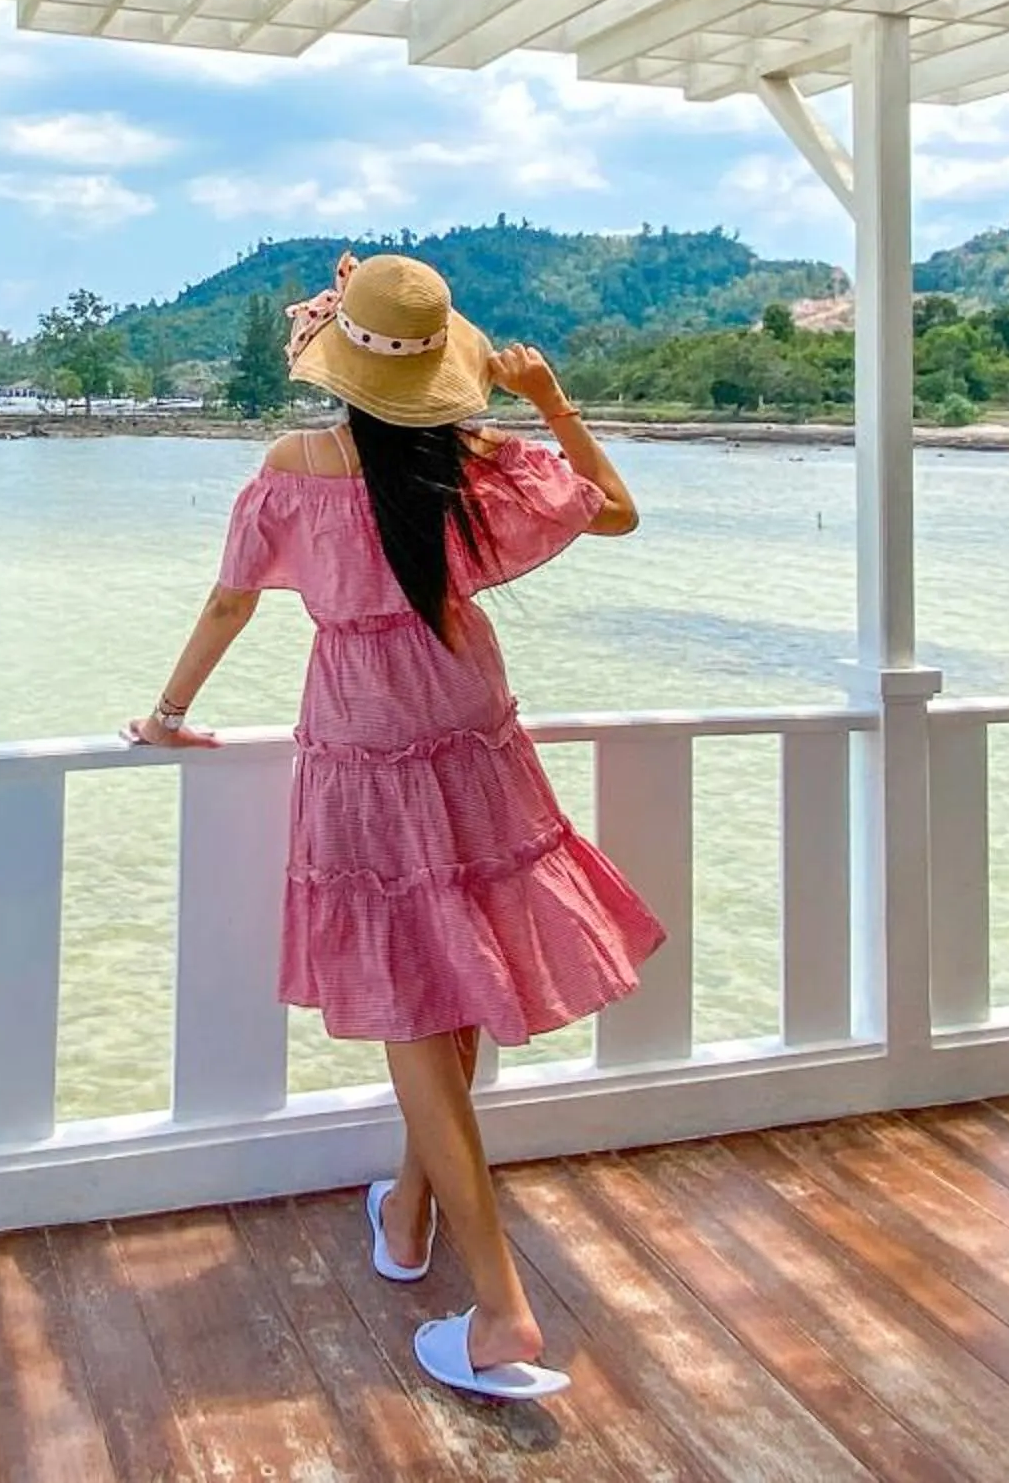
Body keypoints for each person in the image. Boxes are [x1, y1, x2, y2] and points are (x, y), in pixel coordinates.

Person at [125, 252, 659, 1402]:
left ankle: (503, 1311)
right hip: (470, 717)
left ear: (334, 368)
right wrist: (551, 404)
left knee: (417, 998)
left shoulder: (296, 466)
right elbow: (613, 512)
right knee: (453, 968)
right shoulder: (473, 463)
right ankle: (409, 1212)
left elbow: (230, 600)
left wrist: (170, 712)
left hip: (366, 731)